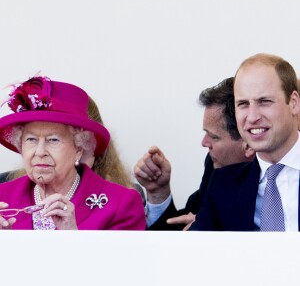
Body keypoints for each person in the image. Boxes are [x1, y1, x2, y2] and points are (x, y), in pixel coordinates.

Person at [0, 76, 146, 230]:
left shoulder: (121, 204)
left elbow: (126, 255)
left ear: (79, 148)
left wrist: (73, 237)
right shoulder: (2, 196)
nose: (40, 152)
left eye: (53, 140)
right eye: (31, 139)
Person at [190, 53, 300, 231]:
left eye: (264, 102)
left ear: (294, 103)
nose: (253, 116)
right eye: (243, 104)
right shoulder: (223, 186)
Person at [134, 77, 255, 230]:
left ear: (249, 143)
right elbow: (183, 225)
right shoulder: (214, 165)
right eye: (206, 133)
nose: (204, 143)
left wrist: (214, 225)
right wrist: (159, 192)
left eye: (214, 137)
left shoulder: (281, 177)